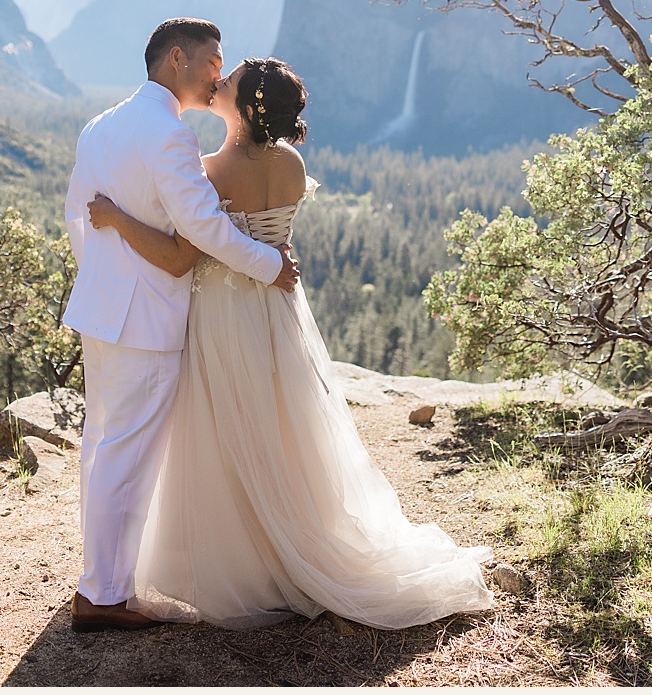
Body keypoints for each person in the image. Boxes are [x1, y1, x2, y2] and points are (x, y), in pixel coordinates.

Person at [87, 56, 499, 630]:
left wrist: (114, 217)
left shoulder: (210, 170)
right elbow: (271, 231)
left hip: (224, 311)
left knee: (229, 429)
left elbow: (185, 255)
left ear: (248, 104)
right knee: (284, 423)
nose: (217, 84)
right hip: (279, 307)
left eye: (227, 83)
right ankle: (294, 539)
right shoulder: (291, 162)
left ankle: (248, 561)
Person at [60, 18, 304, 633]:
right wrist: (269, 265)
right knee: (129, 456)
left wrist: (107, 276)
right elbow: (205, 229)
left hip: (102, 309)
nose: (219, 72)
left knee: (101, 447)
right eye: (213, 60)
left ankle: (100, 582)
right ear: (177, 59)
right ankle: (104, 596)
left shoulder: (101, 124)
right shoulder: (168, 135)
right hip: (145, 317)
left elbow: (76, 215)